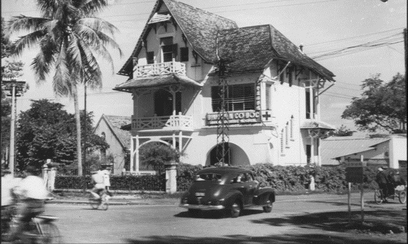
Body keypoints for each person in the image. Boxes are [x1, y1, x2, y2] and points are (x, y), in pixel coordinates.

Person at [9, 165, 48, 240]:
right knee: (30, 217)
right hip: (41, 204)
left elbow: (18, 191)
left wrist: (16, 194)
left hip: (30, 204)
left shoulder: (26, 180)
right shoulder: (40, 180)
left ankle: (16, 235)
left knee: (19, 218)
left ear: (28, 172)